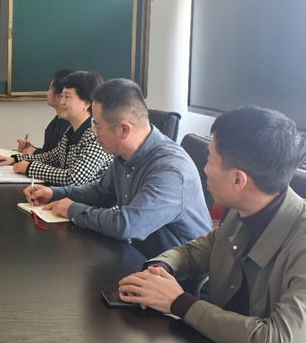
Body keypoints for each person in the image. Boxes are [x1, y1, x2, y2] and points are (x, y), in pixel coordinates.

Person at [118, 107, 306, 342]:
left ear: (238, 179)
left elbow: (277, 337)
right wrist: (159, 270)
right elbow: (196, 252)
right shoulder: (244, 210)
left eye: (210, 160)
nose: (204, 169)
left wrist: (179, 303)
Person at [25, 79, 212, 258]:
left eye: (97, 127)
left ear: (124, 130)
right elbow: (101, 193)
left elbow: (127, 225)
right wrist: (54, 193)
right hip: (138, 257)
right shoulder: (124, 154)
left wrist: (73, 210)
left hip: (175, 274)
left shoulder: (169, 169)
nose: (93, 134)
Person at [0, 71, 112, 186]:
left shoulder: (95, 135)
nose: (62, 102)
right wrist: (15, 159)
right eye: (62, 96)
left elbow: (73, 178)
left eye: (67, 97)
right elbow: (51, 157)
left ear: (86, 103)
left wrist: (29, 168)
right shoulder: (71, 130)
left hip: (90, 201)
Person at [15, 69, 73, 155]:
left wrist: (34, 152)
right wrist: (31, 149)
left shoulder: (69, 127)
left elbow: (56, 160)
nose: (47, 93)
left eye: (50, 88)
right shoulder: (55, 122)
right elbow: (48, 154)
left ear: (59, 96)